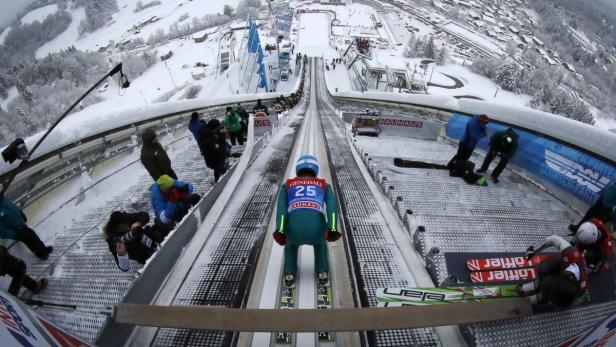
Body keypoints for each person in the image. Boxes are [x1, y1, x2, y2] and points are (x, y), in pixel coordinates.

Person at [273, 155, 340, 288]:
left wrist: (280, 230)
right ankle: (322, 272)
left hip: (293, 231)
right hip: (316, 231)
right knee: (320, 244)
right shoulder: (324, 185)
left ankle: (290, 273)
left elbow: (281, 211)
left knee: (290, 245)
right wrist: (332, 228)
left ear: (298, 169)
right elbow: (332, 208)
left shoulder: (287, 186)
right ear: (315, 169)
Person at [519, 235, 588, 309]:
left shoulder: (582, 288)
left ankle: (540, 298)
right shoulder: (570, 252)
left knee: (547, 286)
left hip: (568, 271)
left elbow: (571, 302)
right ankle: (536, 285)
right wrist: (533, 249)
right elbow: (553, 239)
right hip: (565, 262)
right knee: (544, 270)